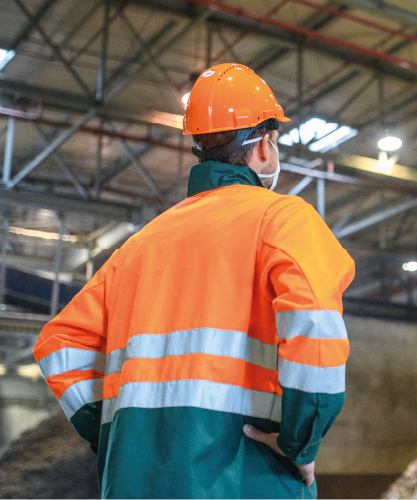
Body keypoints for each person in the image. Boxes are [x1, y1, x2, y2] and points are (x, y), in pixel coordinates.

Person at [33, 63, 355, 499]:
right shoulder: (283, 220)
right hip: (247, 481)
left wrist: (116, 433)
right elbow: (315, 329)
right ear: (263, 147)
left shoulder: (138, 247)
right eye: (275, 141)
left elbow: (59, 342)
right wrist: (301, 444)